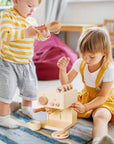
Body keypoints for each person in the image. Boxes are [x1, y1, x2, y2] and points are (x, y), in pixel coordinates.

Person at [57, 27, 114, 144]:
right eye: (83, 54)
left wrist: (86, 107)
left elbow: (103, 96)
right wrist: (62, 70)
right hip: (86, 96)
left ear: (104, 53)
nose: (86, 59)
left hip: (104, 100)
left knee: (100, 117)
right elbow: (66, 84)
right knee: (61, 105)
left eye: (91, 56)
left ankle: (99, 140)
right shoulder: (80, 62)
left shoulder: (109, 69)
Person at [0, 0, 50, 129]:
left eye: (35, 8)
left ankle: (26, 108)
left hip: (27, 62)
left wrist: (44, 35)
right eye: (29, 6)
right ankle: (3, 117)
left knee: (30, 88)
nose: (32, 11)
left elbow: (38, 37)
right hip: (8, 62)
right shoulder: (8, 15)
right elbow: (4, 34)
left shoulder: (32, 21)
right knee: (7, 90)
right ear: (15, 1)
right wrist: (26, 33)